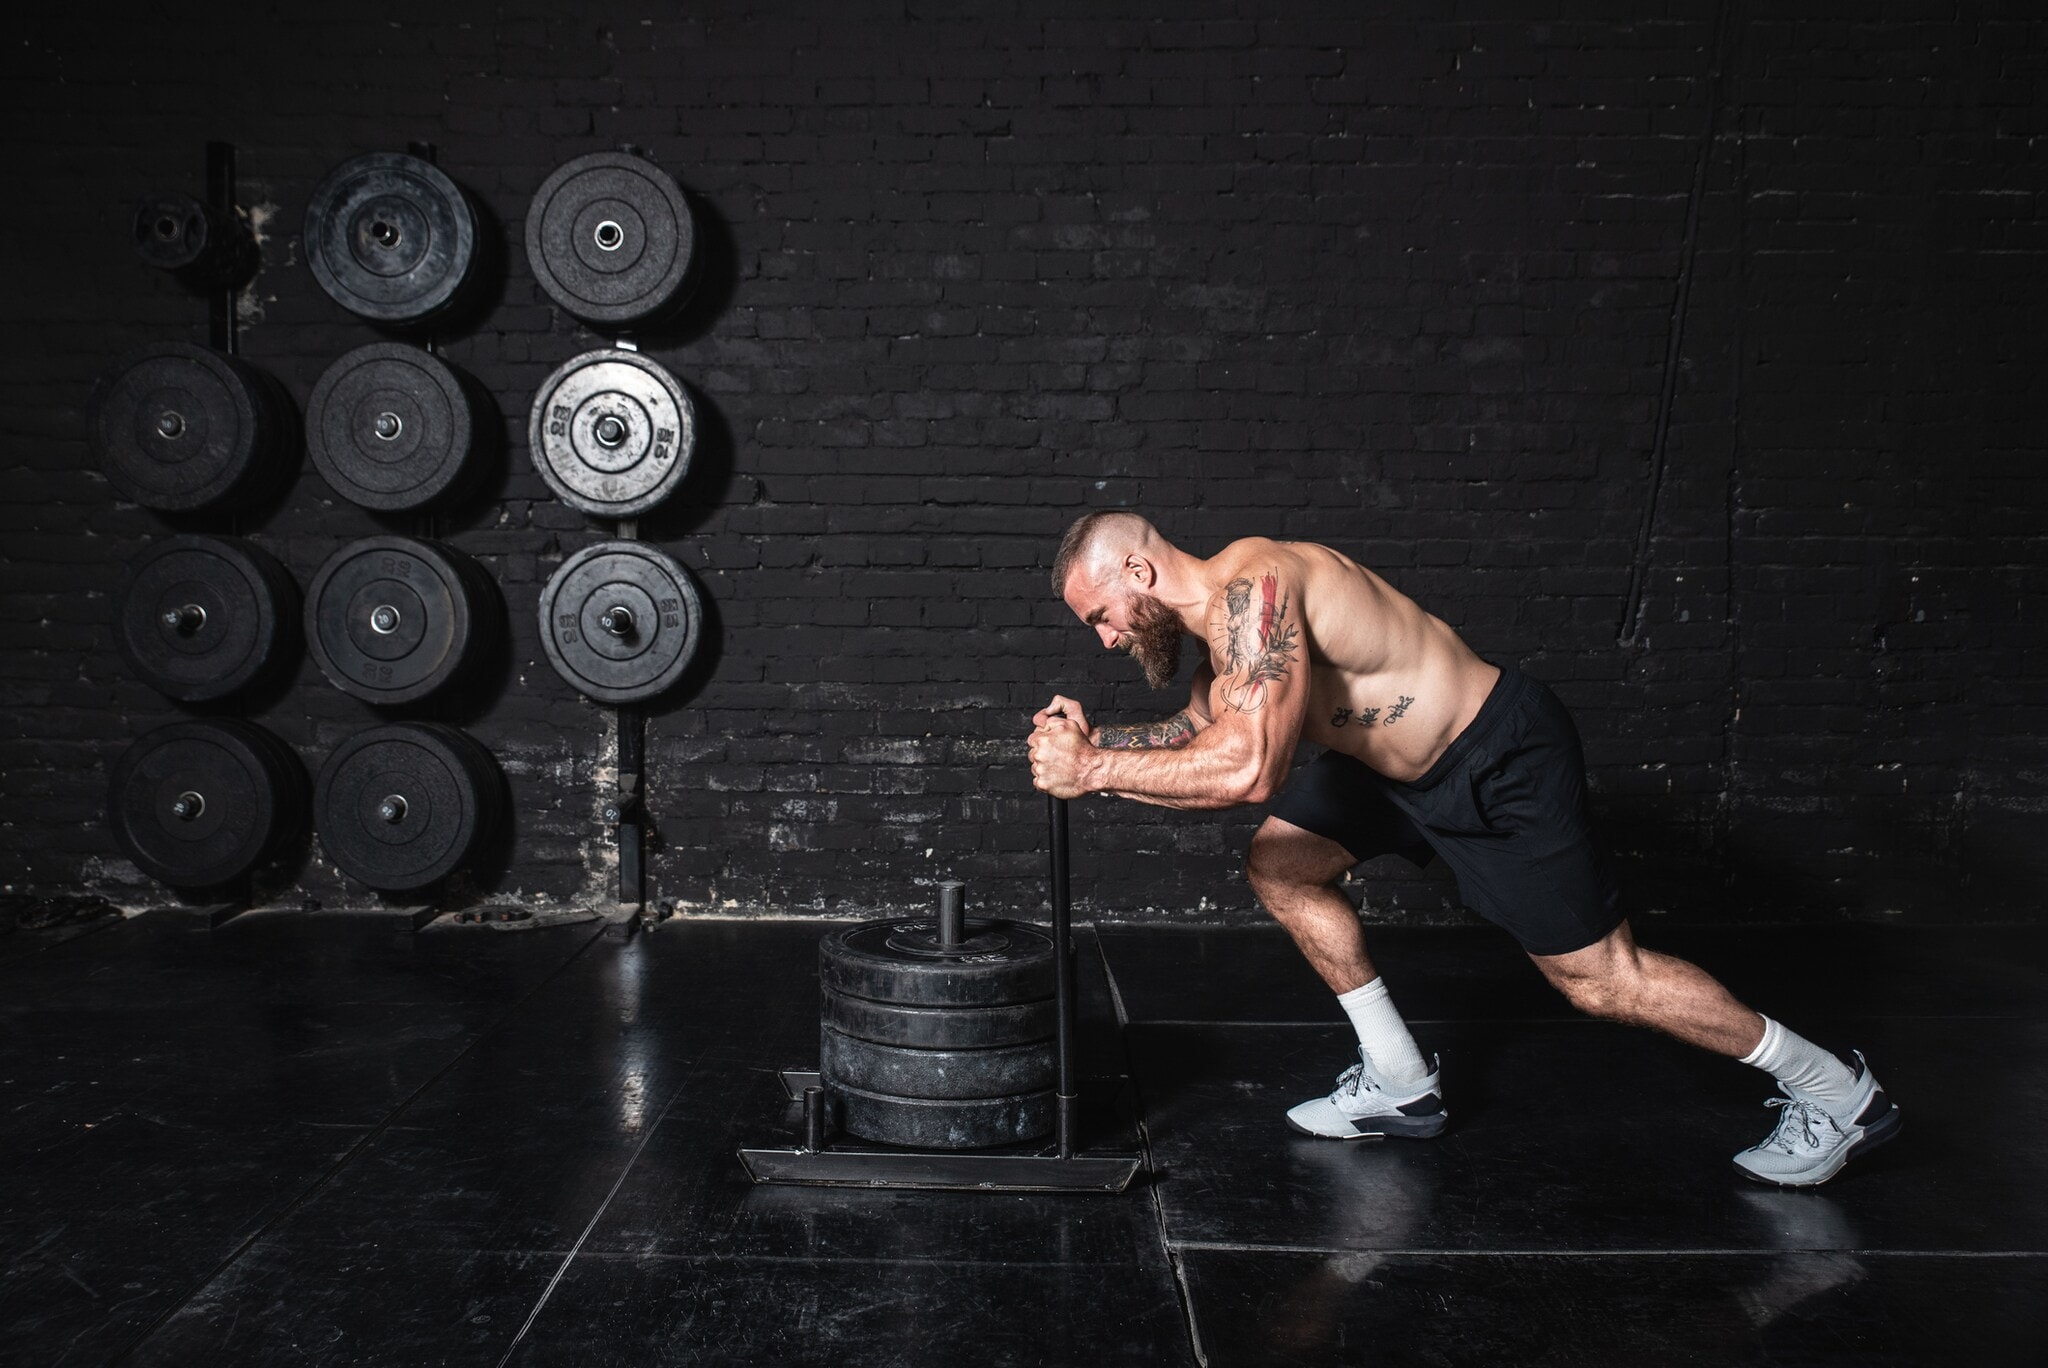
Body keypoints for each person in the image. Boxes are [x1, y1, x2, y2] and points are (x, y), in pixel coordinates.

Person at [1026, 511, 1900, 1186]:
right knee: (1281, 865)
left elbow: (1249, 766)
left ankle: (1837, 1093)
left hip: (1495, 755)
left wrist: (1092, 770)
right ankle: (1402, 1083)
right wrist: (1092, 747)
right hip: (1394, 775)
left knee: (1603, 982)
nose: (1105, 637)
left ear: (1138, 570)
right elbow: (1195, 738)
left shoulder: (1258, 584)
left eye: (1102, 615)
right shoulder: (1220, 658)